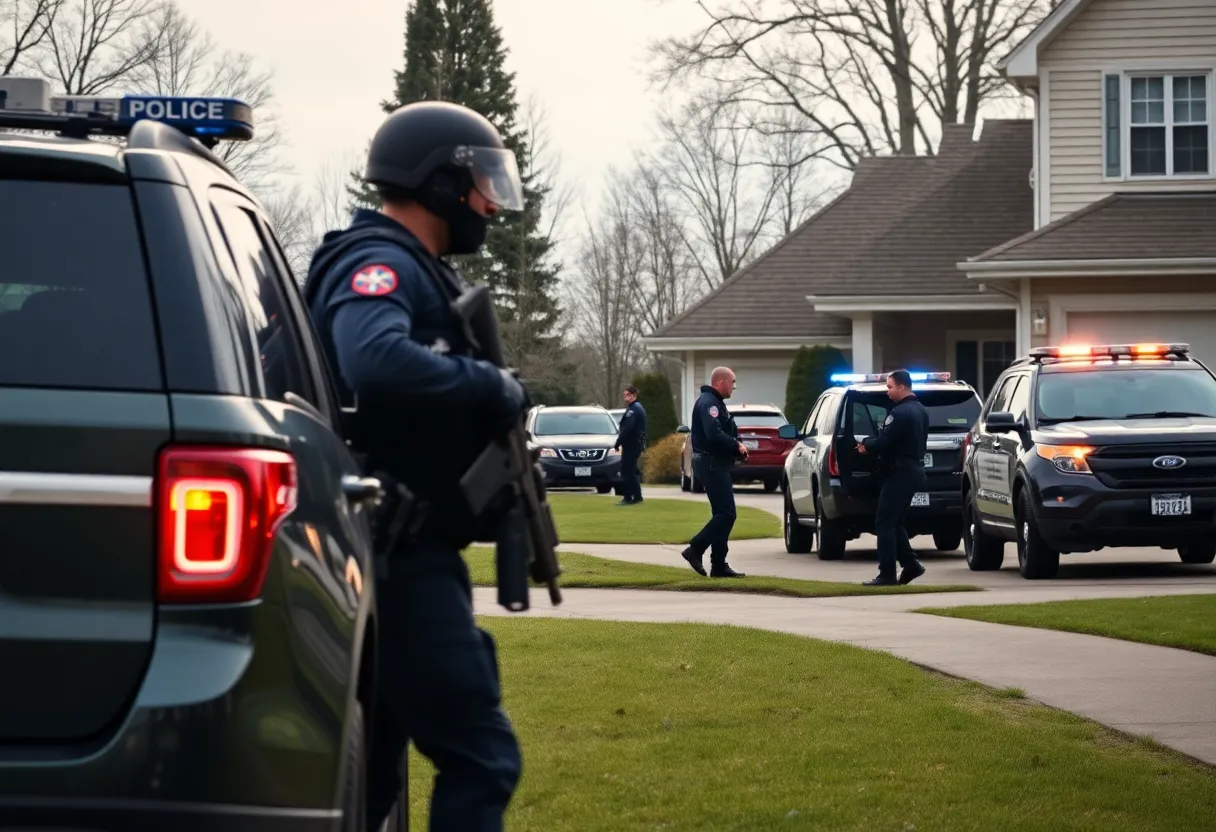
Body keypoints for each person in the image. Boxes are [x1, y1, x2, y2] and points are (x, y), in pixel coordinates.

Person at [304, 100, 528, 831]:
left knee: (370, 780)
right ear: (439, 184)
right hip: (399, 557)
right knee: (481, 753)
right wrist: (491, 385)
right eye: (479, 183)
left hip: (402, 551)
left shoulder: (410, 265)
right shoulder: (380, 262)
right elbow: (373, 359)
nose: (488, 204)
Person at [856, 369, 930, 587]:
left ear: (901, 387)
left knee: (884, 523)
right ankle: (910, 564)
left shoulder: (899, 413)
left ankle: (886, 573)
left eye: (889, 387)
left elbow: (883, 443)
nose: (887, 392)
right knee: (895, 522)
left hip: (900, 472)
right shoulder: (921, 410)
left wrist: (866, 444)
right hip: (914, 471)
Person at [680, 367, 748, 578]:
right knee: (727, 514)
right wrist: (736, 445)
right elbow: (713, 434)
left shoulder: (714, 402)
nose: (734, 386)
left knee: (722, 514)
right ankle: (695, 549)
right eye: (732, 382)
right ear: (720, 382)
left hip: (714, 463)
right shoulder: (709, 403)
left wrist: (734, 449)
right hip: (711, 464)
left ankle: (718, 565)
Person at [613, 385, 647, 505]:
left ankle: (629, 497)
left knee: (626, 471)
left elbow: (627, 428)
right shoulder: (636, 408)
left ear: (633, 396)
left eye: (627, 395)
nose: (625, 397)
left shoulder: (633, 410)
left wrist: (618, 442)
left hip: (632, 444)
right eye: (624, 395)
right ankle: (636, 496)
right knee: (631, 470)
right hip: (635, 444)